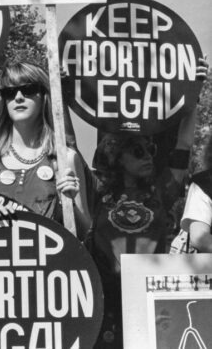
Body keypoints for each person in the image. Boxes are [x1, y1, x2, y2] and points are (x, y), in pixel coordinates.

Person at [87, 57, 208, 348]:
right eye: (138, 151)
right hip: (104, 299)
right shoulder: (97, 192)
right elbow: (68, 146)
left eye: (151, 149)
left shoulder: (160, 190)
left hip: (150, 295)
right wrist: (64, 92)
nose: (149, 156)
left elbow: (184, 144)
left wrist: (194, 90)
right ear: (117, 157)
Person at [0, 61, 91, 238]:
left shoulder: (65, 158)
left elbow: (85, 233)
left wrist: (69, 202)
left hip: (47, 261)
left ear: (44, 95)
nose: (18, 97)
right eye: (9, 92)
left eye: (28, 89)